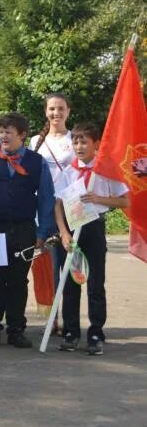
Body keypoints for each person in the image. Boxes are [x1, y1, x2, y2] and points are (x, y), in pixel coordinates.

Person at [0, 113, 57, 349]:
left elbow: (47, 199)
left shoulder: (37, 162)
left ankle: (16, 329)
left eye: (9, 131)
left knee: (18, 281)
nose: (3, 136)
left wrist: (43, 232)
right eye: (1, 131)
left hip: (23, 229)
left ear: (22, 135)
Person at [55, 122, 129, 355]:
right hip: (72, 229)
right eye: (75, 142)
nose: (79, 146)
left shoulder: (105, 171)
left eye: (84, 141)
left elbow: (125, 200)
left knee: (95, 284)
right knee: (71, 284)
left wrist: (99, 198)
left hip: (94, 229)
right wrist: (64, 233)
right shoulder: (68, 171)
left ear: (96, 144)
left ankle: (96, 333)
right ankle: (71, 332)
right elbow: (57, 205)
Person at [30, 92, 75, 334]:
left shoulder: (74, 139)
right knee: (49, 268)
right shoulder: (37, 140)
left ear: (68, 111)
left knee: (69, 269)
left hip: (71, 211)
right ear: (45, 112)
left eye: (60, 108)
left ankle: (70, 319)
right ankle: (52, 319)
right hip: (45, 211)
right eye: (51, 109)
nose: (56, 113)